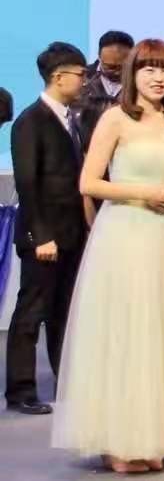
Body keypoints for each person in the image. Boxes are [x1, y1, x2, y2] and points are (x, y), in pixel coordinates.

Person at [51, 40, 164, 473]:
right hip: (123, 234)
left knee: (160, 335)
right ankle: (116, 440)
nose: (158, 78)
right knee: (123, 334)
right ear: (132, 73)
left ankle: (152, 436)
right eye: (149, 69)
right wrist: (146, 193)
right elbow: (89, 183)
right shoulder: (115, 118)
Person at [6, 43, 89, 416]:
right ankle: (20, 390)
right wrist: (41, 236)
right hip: (43, 237)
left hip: (72, 233)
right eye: (80, 74)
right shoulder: (30, 121)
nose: (85, 81)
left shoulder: (73, 119)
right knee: (32, 311)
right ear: (58, 77)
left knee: (63, 312)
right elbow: (27, 183)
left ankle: (66, 381)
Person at [77, 31, 134, 145]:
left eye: (123, 66)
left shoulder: (143, 82)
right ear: (99, 57)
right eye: (110, 67)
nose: (117, 72)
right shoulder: (81, 79)